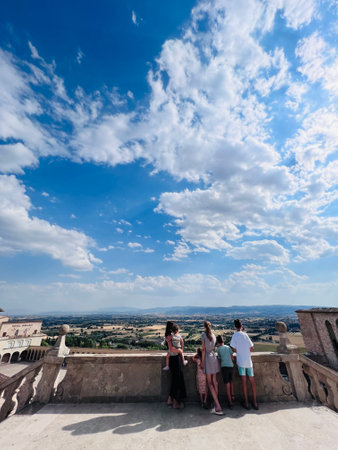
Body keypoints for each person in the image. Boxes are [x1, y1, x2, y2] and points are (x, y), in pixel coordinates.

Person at [230, 319, 258, 410]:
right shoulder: (246, 335)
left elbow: (233, 349)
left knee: (244, 383)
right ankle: (255, 403)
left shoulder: (234, 336)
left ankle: (246, 403)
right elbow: (251, 348)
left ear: (235, 326)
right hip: (248, 361)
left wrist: (240, 351)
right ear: (241, 326)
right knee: (252, 382)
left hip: (241, 361)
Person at [201, 321, 223, 415]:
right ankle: (215, 402)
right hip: (214, 357)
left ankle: (217, 406)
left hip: (207, 359)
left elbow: (203, 350)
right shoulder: (213, 335)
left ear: (204, 327)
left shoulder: (203, 335)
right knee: (215, 382)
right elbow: (213, 348)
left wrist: (202, 362)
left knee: (209, 384)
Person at [164, 321, 187, 409]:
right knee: (177, 380)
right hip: (176, 360)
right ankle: (175, 403)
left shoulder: (169, 336)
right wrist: (180, 351)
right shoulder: (172, 337)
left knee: (175, 380)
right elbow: (172, 349)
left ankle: (170, 399)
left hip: (173, 360)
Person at [216, 335, 235, 409]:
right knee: (231, 381)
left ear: (218, 342)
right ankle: (233, 394)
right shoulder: (228, 347)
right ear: (223, 340)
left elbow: (219, 359)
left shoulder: (219, 349)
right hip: (231, 366)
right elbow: (232, 357)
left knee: (227, 385)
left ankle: (230, 403)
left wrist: (220, 367)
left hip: (224, 368)